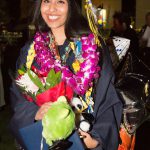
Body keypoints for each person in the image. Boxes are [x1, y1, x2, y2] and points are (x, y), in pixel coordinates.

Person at [9, 0, 122, 150]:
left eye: (60, 2)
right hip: (41, 136)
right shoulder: (30, 50)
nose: (52, 9)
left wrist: (97, 138)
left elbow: (107, 96)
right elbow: (18, 94)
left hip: (81, 138)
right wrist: (34, 113)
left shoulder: (94, 48)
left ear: (72, 6)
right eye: (47, 1)